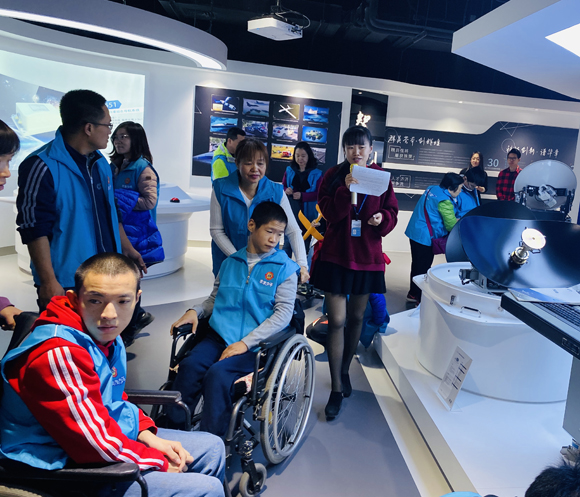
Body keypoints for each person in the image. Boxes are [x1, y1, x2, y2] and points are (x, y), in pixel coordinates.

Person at [0, 253, 225, 497]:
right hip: (53, 461)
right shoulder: (59, 354)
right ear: (75, 299)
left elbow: (113, 399)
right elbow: (91, 443)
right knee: (207, 489)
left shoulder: (106, 336)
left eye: (122, 301)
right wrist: (156, 460)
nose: (109, 313)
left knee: (213, 448)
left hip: (98, 437)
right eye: (95, 300)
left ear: (136, 299)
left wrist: (146, 434)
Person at [167, 202, 299, 435]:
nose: (274, 240)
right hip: (218, 337)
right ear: (252, 225)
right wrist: (195, 311)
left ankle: (212, 441)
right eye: (269, 231)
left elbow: (283, 315)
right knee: (190, 367)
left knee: (218, 376)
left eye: (279, 234)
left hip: (256, 346)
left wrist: (245, 343)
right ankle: (173, 432)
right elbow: (214, 299)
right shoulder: (230, 263)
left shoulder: (285, 269)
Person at [16, 89, 146, 312]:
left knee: (108, 330)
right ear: (89, 128)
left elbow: (111, 211)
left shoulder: (100, 163)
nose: (110, 132)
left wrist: (127, 248)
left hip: (108, 273)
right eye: (108, 125)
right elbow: (34, 228)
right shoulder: (41, 165)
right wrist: (48, 281)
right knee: (70, 334)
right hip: (68, 281)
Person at [309, 125, 398, 420]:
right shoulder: (332, 176)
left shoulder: (381, 178)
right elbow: (329, 213)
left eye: (361, 146)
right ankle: (336, 388)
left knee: (358, 317)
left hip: (367, 256)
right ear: (344, 150)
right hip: (336, 255)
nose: (356, 152)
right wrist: (345, 189)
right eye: (350, 147)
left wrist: (382, 218)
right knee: (337, 320)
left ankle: (345, 370)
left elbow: (392, 212)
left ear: (371, 149)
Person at [210, 138, 308, 281]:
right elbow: (216, 230)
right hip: (229, 262)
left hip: (265, 266)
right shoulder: (220, 188)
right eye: (248, 163)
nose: (255, 168)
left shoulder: (276, 192)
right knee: (228, 294)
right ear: (237, 163)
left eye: (260, 163)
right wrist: (238, 260)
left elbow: (292, 230)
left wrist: (302, 264)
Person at [405, 172, 464, 304]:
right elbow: (451, 226)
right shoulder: (445, 201)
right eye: (460, 188)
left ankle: (412, 293)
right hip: (425, 238)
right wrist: (458, 221)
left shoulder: (432, 188)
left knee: (416, 265)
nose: (460, 191)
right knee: (423, 268)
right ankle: (419, 299)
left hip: (415, 231)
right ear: (452, 188)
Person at [110, 121, 164, 266]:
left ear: (136, 139)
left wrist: (118, 200)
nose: (117, 141)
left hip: (137, 233)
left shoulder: (143, 168)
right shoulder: (114, 166)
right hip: (119, 229)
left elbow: (150, 201)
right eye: (115, 137)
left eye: (123, 137)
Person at [282, 141, 323, 260]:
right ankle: (284, 267)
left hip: (308, 215)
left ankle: (301, 269)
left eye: (303, 156)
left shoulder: (317, 174)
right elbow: (283, 186)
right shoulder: (289, 170)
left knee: (304, 245)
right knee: (287, 243)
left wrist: (303, 196)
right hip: (291, 211)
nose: (300, 159)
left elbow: (319, 194)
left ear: (309, 156)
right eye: (297, 155)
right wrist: (286, 190)